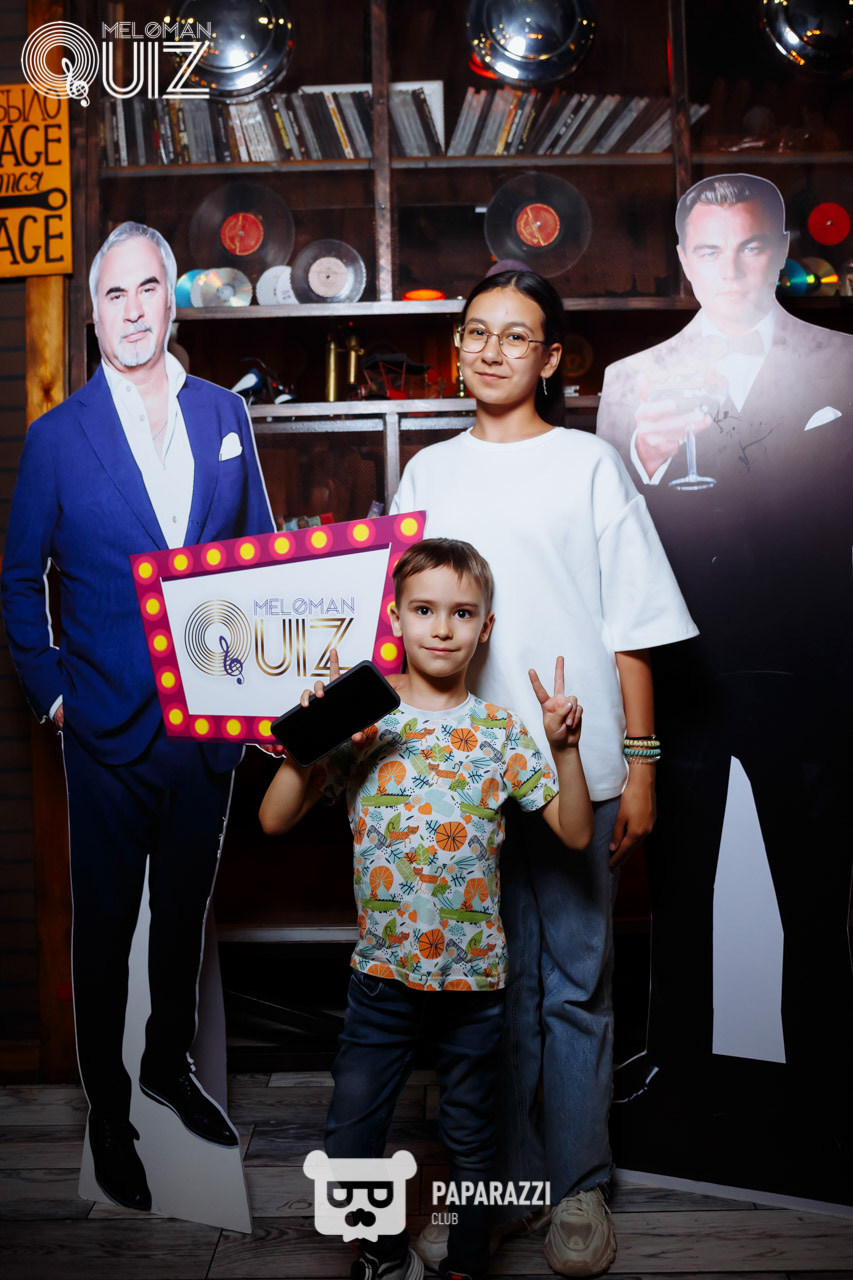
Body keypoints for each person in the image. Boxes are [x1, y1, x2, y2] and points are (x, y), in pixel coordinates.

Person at [390, 272, 696, 1276]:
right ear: (457, 346)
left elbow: (632, 626)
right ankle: (508, 1188)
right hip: (461, 780)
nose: (489, 350)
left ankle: (577, 1188)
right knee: (490, 996)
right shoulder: (429, 471)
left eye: (514, 336)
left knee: (573, 987)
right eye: (474, 332)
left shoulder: (589, 464)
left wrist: (639, 768)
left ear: (550, 357)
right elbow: (395, 627)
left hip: (579, 770)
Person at [1, 221, 274, 1211]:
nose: (130, 310)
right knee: (107, 930)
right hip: (104, 728)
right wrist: (55, 692)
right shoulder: (56, 437)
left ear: (172, 298)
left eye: (146, 289)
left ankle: (166, 1067)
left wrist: (262, 690)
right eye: (112, 294)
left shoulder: (223, 414)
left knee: (183, 918)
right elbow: (16, 581)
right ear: (93, 314)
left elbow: (258, 555)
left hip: (207, 727)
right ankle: (108, 1112)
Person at [260, 538, 595, 1280]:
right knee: (350, 1142)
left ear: (486, 627)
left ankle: (467, 1263)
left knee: (474, 1142)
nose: (442, 628)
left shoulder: (500, 732)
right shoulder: (363, 724)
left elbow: (575, 834)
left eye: (462, 613)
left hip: (473, 986)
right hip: (381, 980)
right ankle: (382, 1256)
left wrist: (564, 748)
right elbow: (273, 820)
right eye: (424, 610)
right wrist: (305, 745)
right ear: (396, 618)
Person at [597, 174, 853, 1117]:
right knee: (677, 887)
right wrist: (646, 458)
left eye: (749, 246)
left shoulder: (844, 364)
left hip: (815, 676)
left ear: (780, 251)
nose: (731, 268)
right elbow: (612, 545)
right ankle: (673, 1073)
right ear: (682, 261)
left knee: (816, 891)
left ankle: (826, 1084)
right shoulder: (632, 380)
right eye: (708, 250)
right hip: (683, 677)